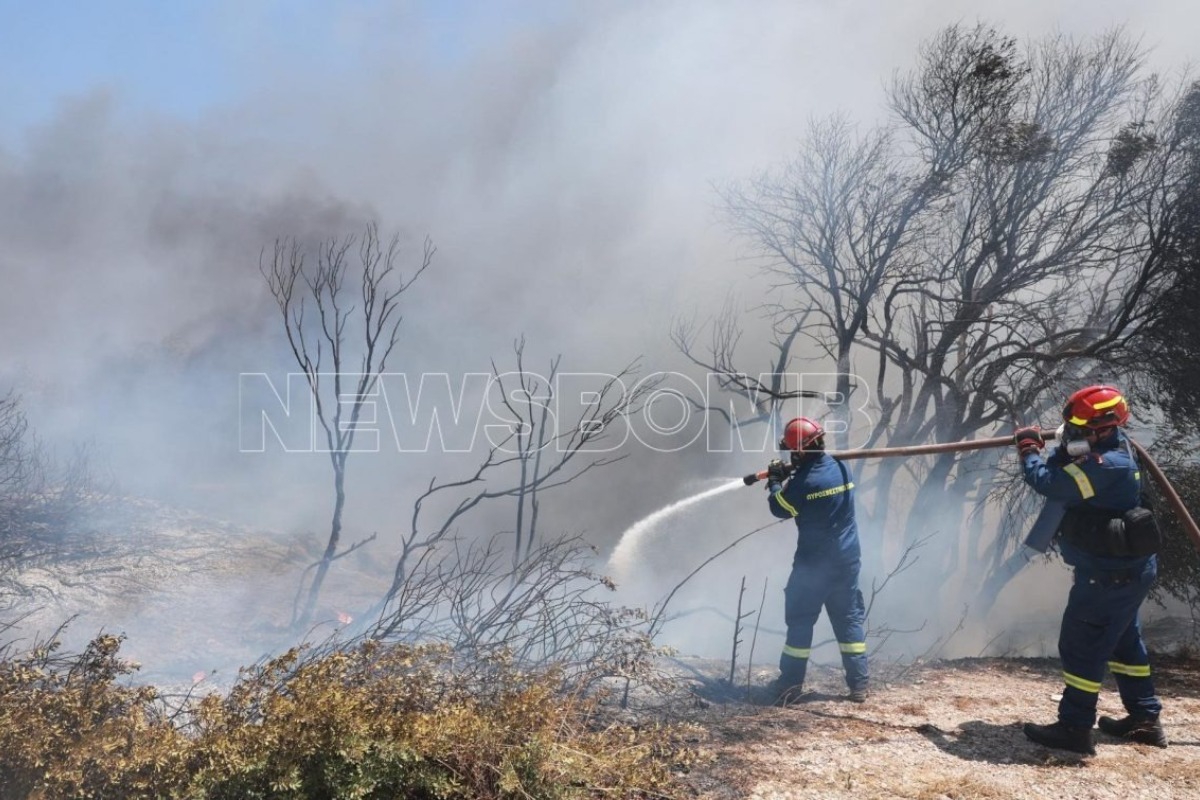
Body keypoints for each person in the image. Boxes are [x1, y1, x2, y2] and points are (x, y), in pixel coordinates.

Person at [1014, 384, 1166, 755]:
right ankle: (1145, 720)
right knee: (1124, 642)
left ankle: (1074, 727)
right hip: (1125, 573)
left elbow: (1049, 483)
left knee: (1081, 646)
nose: (1074, 432)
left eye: (1081, 428)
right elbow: (1065, 467)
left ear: (1105, 427)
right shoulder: (1113, 445)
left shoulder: (1106, 464)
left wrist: (1029, 450)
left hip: (1108, 578)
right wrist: (1067, 445)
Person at [764, 417, 869, 704]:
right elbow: (811, 477)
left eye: (792, 450)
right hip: (847, 560)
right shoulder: (841, 467)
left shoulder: (804, 483)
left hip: (814, 567)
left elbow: (780, 508)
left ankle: (789, 686)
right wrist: (791, 475)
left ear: (799, 450)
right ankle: (859, 685)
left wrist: (775, 482)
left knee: (800, 622)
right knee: (848, 620)